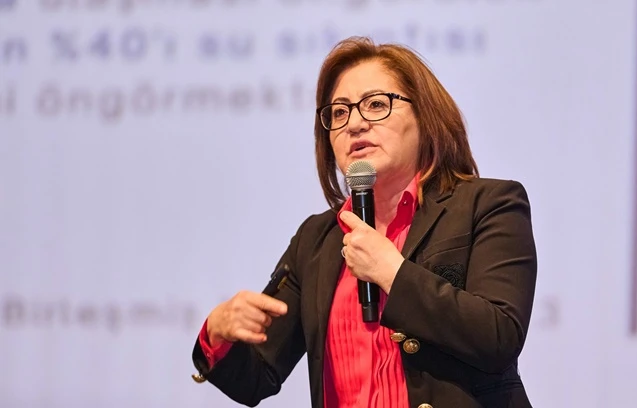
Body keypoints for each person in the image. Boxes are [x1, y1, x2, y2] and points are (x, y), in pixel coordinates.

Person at [191, 36, 537, 408]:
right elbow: (257, 379)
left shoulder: (489, 205)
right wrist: (218, 332)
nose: (354, 124)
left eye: (376, 104)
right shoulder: (317, 239)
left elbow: (498, 337)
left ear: (425, 116)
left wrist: (393, 273)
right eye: (339, 113)